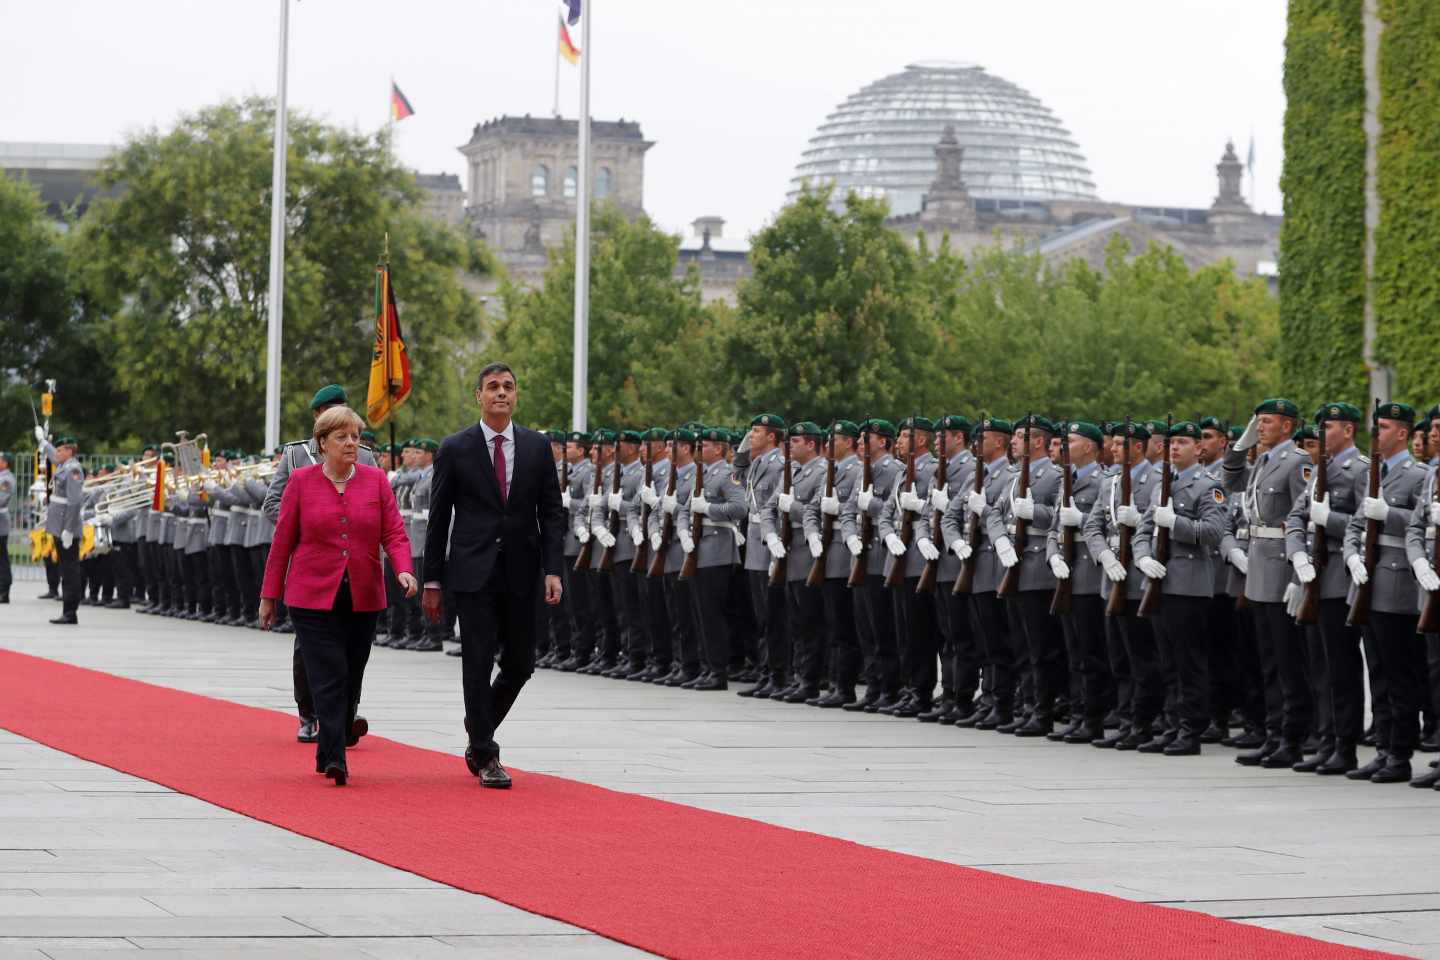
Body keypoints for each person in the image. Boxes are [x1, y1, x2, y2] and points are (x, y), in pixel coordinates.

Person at [422, 362, 565, 789]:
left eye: (508, 387)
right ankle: (485, 754)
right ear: (478, 397)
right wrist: (432, 579)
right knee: (477, 660)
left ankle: (477, 720)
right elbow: (438, 517)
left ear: (516, 396)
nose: (501, 393)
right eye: (492, 387)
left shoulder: (537, 447)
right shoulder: (455, 447)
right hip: (472, 572)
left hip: (522, 569)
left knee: (521, 663)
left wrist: (553, 569)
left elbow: (552, 512)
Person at [260, 405, 416, 786]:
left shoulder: (376, 480)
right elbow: (282, 542)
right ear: (322, 443)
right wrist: (269, 596)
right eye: (342, 437)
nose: (351, 444)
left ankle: (329, 742)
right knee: (330, 673)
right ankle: (335, 758)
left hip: (362, 593)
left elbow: (393, 532)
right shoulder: (301, 481)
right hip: (311, 596)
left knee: (352, 673)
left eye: (355, 437)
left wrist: (404, 569)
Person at [264, 384, 378, 742]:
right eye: (329, 411)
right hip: (313, 565)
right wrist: (306, 535)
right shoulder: (296, 456)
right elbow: (272, 505)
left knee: (354, 644)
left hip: (355, 565)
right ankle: (308, 713)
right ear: (318, 419)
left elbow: (378, 506)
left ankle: (346, 712)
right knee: (308, 644)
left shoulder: (367, 456)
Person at [35, 432, 85, 625]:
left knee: (70, 570)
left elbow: (74, 502)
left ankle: (70, 612)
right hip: (59, 525)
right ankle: (68, 610)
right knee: (65, 568)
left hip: (66, 527)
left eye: (60, 449)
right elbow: (52, 455)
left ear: (69, 451)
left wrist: (69, 529)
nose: (57, 452)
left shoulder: (73, 470)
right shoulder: (64, 466)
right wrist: (43, 442)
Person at [0, 451, 13, 604]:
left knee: (2, 558)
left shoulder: (7, 480)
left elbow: (1, 499)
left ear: (5, 463)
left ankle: (4, 591)